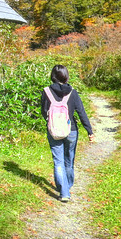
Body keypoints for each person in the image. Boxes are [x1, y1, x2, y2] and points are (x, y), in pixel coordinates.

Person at [40, 64, 94, 202]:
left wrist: (52, 123)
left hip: (54, 131)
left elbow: (43, 111)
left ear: (53, 76)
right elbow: (81, 112)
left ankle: (64, 191)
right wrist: (89, 131)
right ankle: (67, 187)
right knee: (69, 161)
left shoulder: (46, 92)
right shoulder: (72, 92)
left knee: (58, 161)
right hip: (71, 130)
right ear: (66, 76)